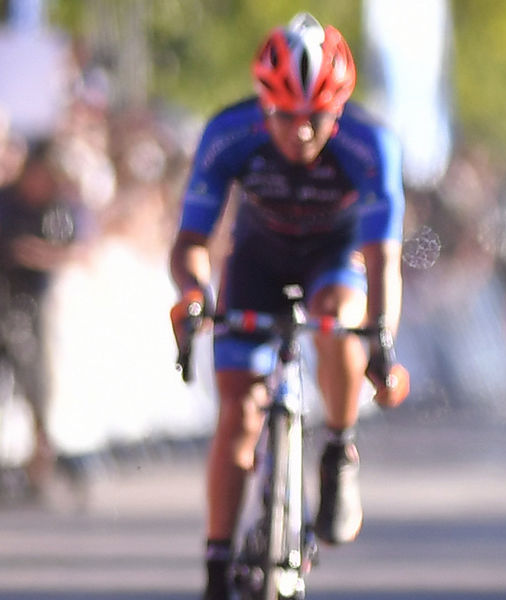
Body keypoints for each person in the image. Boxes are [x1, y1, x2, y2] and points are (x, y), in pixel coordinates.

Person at [167, 13, 406, 599]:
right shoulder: (229, 133)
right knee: (239, 414)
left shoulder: (371, 144)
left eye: (317, 117)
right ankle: (216, 566)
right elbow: (190, 245)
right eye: (285, 115)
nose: (301, 132)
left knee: (339, 315)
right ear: (263, 104)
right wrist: (195, 296)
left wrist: (380, 340)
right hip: (257, 259)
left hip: (337, 255)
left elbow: (383, 263)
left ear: (340, 107)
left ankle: (338, 449)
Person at [0, 138, 83, 496]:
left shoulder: (57, 208)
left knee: (38, 384)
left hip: (36, 302)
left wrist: (42, 255)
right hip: (5, 297)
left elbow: (75, 249)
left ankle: (40, 467)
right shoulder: (7, 203)